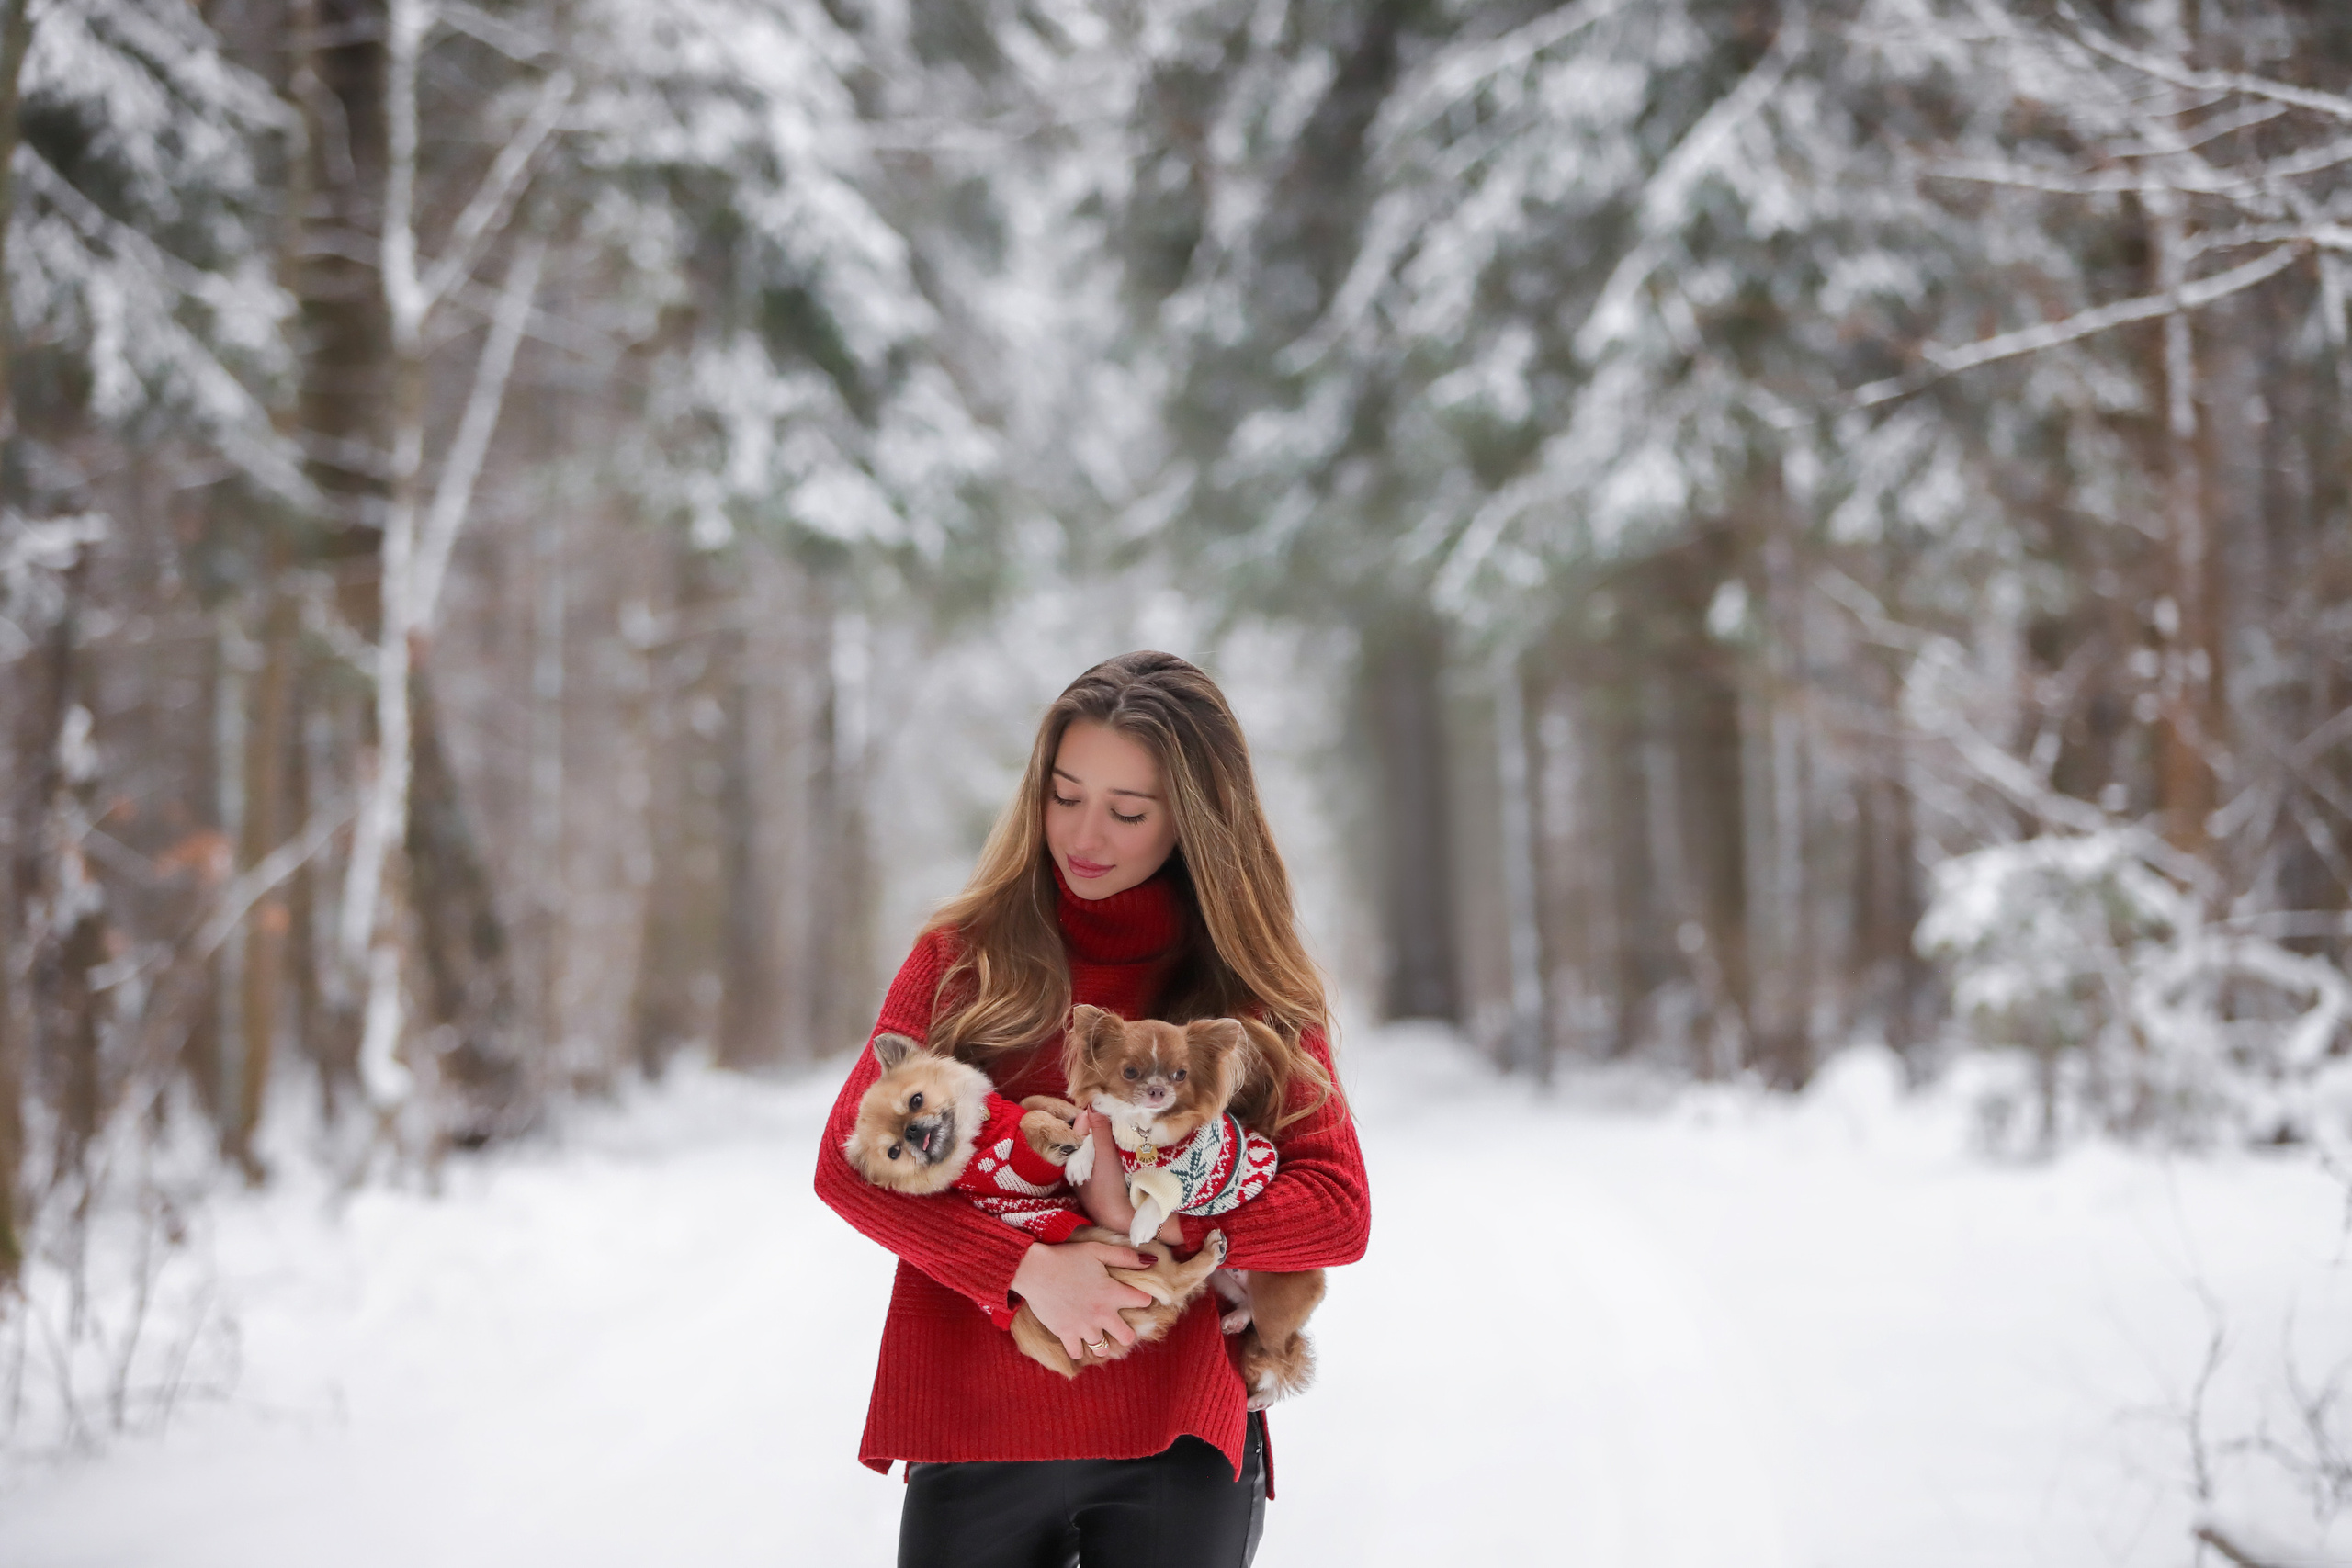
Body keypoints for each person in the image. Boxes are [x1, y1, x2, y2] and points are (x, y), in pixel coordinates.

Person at [814, 649, 1373, 1568]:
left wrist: (1159, 1211)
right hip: (973, 1427)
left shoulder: (1253, 989)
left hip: (1176, 1440)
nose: (1084, 834)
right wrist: (1027, 1268)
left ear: (1194, 822)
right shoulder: (964, 958)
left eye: (1126, 811)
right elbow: (849, 1160)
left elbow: (1338, 1210)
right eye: (1064, 794)